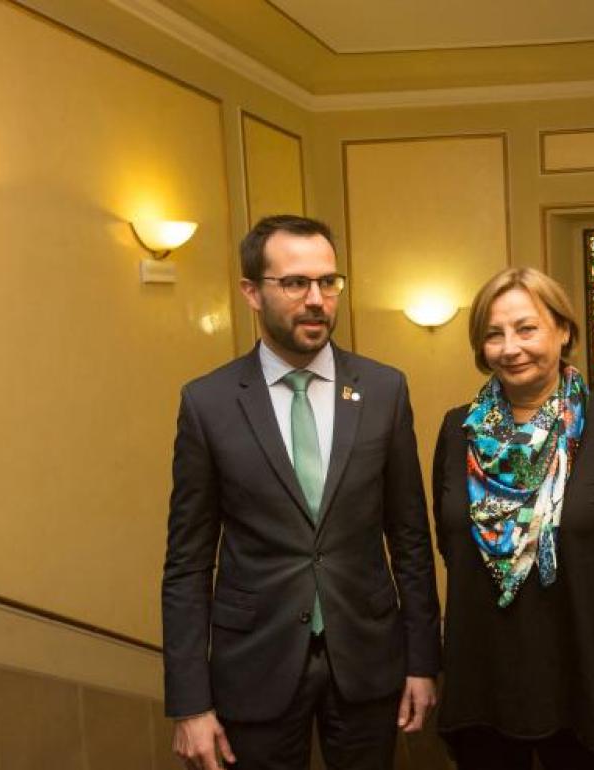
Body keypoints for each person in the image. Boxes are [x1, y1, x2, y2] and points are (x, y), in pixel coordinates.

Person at [161, 215, 441, 770]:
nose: (317, 299)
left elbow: (410, 537)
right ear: (252, 293)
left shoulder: (384, 389)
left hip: (366, 659)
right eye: (295, 283)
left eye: (328, 282)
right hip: (255, 663)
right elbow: (187, 565)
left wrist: (422, 661)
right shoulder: (208, 403)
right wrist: (190, 703)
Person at [430, 268, 594, 770]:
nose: (510, 347)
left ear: (563, 331)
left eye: (527, 328)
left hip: (583, 677)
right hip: (482, 674)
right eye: (493, 333)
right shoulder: (456, 430)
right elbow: (450, 542)